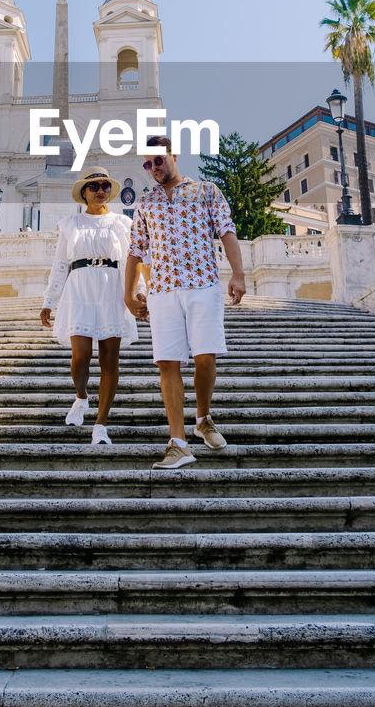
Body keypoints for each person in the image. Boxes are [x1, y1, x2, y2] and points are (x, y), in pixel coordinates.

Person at [124, 135, 246, 469]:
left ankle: (203, 417)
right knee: (167, 362)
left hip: (203, 284)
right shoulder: (145, 204)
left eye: (158, 161)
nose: (153, 168)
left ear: (173, 154)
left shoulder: (206, 190)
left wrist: (238, 274)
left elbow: (227, 231)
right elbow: (136, 250)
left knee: (205, 357)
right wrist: (128, 292)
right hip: (162, 291)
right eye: (147, 164)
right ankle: (178, 443)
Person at [40, 169, 139, 445]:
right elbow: (60, 264)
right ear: (84, 192)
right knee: (80, 356)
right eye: (93, 186)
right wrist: (49, 301)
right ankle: (81, 397)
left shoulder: (121, 223)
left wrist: (137, 294)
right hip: (79, 287)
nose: (99, 190)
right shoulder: (70, 224)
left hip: (111, 289)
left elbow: (132, 262)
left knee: (110, 359)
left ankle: (101, 424)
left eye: (105, 185)